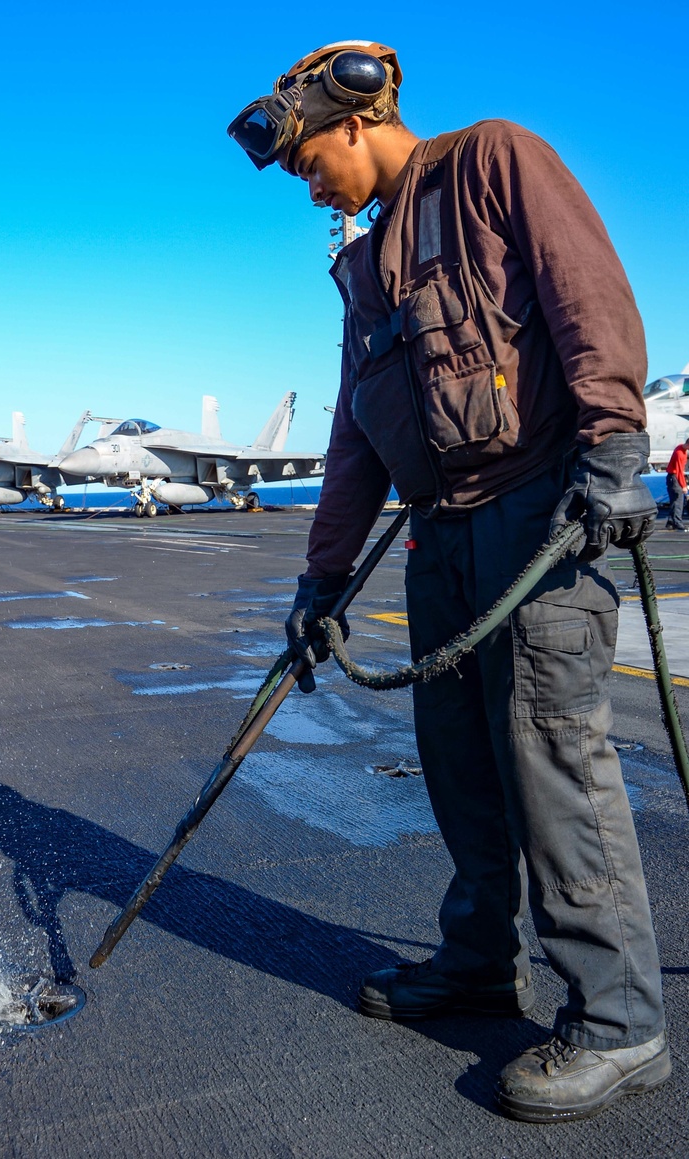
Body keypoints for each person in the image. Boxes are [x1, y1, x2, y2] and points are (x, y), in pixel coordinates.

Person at [229, 40, 669, 1123]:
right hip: (442, 535)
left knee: (550, 757)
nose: (309, 184)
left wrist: (614, 449)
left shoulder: (492, 162)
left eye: (309, 164)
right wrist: (320, 578)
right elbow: (354, 435)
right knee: (459, 758)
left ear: (354, 117)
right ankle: (478, 960)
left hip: (539, 516)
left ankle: (620, 1021)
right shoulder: (364, 266)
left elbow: (587, 293)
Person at [665, 437, 689, 531]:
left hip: (672, 477)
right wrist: (683, 485)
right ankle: (678, 523)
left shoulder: (680, 448)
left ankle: (670, 522)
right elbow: (679, 471)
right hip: (675, 478)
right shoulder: (680, 454)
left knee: (674, 500)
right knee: (678, 501)